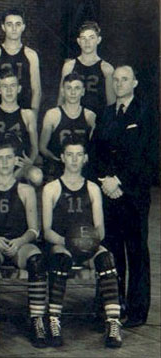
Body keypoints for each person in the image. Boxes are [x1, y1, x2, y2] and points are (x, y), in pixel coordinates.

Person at [93, 65, 158, 328]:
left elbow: (148, 156)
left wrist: (119, 180)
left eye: (125, 79)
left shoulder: (146, 113)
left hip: (133, 194)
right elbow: (95, 152)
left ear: (135, 82)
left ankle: (138, 310)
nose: (119, 84)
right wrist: (105, 181)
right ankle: (113, 305)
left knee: (136, 252)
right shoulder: (106, 114)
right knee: (112, 251)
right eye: (116, 80)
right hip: (108, 194)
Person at [42, 136, 123, 348]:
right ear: (62, 157)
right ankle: (54, 320)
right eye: (70, 155)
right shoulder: (51, 188)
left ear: (85, 158)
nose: (74, 160)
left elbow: (101, 230)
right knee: (60, 260)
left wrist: (87, 242)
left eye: (79, 155)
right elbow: (47, 231)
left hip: (88, 245)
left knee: (106, 259)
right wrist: (70, 242)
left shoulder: (93, 188)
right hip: (62, 244)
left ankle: (113, 323)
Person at [0, 136, 47, 348]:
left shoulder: (25, 190)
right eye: (1, 158)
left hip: (20, 243)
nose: (5, 163)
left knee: (37, 261)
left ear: (16, 160)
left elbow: (35, 229)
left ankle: (37, 320)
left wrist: (20, 241)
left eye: (9, 158)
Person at [0, 68, 42, 186]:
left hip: (18, 165)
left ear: (19, 88)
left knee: (37, 176)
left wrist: (30, 161)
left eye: (12, 86)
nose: (9, 90)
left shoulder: (28, 114)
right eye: (5, 87)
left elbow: (34, 146)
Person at [0, 8, 41, 115]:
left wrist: (34, 116)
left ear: (23, 27)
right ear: (3, 27)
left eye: (18, 24)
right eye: (9, 24)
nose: (14, 28)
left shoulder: (31, 55)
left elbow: (36, 90)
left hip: (24, 111)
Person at [40, 72, 96, 178]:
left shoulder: (90, 116)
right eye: (69, 88)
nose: (73, 92)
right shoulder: (52, 114)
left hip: (81, 168)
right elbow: (42, 147)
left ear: (83, 91)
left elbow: (93, 148)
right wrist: (57, 160)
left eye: (77, 88)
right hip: (58, 166)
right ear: (62, 91)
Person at [58, 21, 115, 117]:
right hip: (73, 120)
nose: (87, 42)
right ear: (78, 41)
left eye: (91, 38)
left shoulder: (107, 69)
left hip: (98, 121)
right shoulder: (69, 66)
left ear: (98, 40)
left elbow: (111, 104)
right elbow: (61, 98)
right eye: (83, 38)